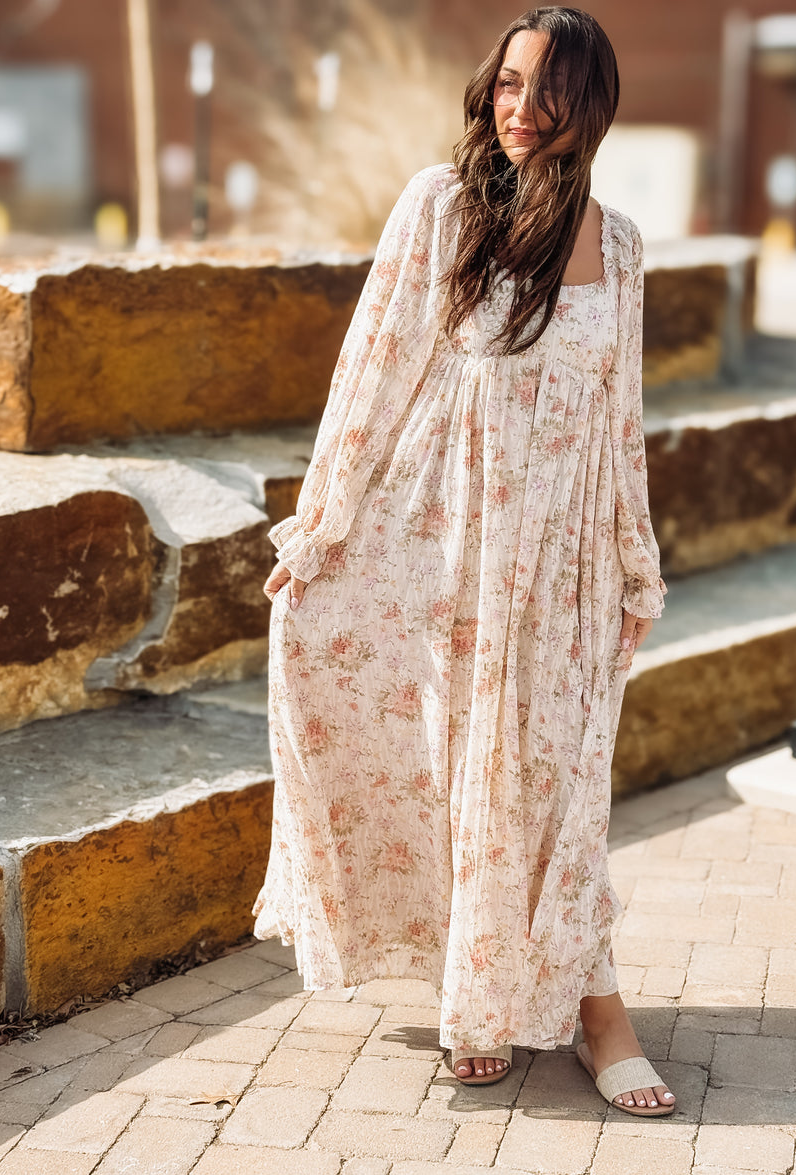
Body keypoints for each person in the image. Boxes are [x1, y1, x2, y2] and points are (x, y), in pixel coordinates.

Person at [253, 5, 676, 1115]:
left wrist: (635, 559)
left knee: (560, 789)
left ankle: (588, 1011)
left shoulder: (622, 243)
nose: (521, 110)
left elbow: (618, 414)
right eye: (506, 83)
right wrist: (323, 524)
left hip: (569, 565)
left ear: (592, 108)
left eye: (547, 91)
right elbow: (374, 369)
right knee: (465, 773)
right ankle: (507, 996)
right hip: (450, 547)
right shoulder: (440, 207)